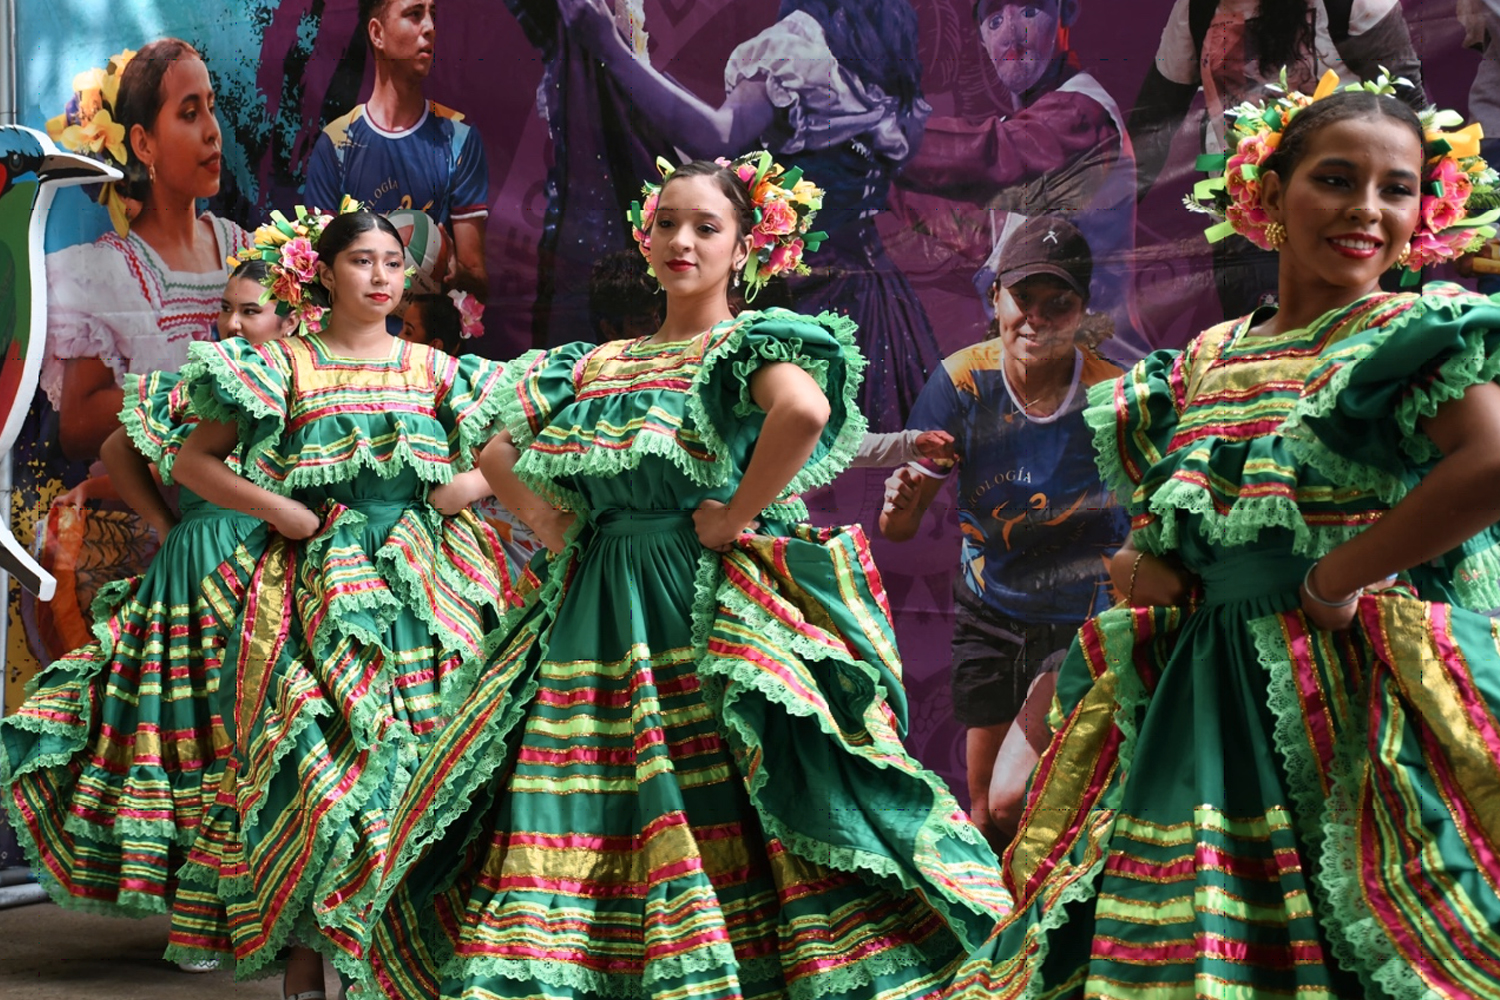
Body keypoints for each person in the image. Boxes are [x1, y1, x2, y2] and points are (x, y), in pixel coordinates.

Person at [349, 157, 1008, 1000]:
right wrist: (550, 522)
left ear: (743, 249)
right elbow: (495, 447)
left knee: (712, 789)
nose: (681, 240)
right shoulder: (597, 364)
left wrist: (734, 516)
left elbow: (803, 411)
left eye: (706, 226)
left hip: (697, 602)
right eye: (667, 223)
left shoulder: (740, 346)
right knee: (583, 793)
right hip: (594, 602)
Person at [948, 82, 1500, 999]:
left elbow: (1487, 466)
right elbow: (1181, 522)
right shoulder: (1206, 357)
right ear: (1268, 194)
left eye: (1396, 189)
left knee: (1364, 909)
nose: (1368, 208)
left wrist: (1333, 580)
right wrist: (1145, 562)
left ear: (1425, 212)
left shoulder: (1405, 331)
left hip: (1357, 676)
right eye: (1336, 179)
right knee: (1205, 923)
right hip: (1204, 678)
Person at [169, 210, 517, 996]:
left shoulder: (435, 370)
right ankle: (305, 964)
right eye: (362, 261)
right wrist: (278, 510)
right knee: (313, 769)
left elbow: (509, 450)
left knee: (419, 772)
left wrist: (464, 488)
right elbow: (194, 462)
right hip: (309, 591)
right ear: (323, 274)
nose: (381, 277)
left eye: (393, 262)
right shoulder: (280, 365)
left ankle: (404, 965)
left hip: (426, 595)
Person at [0, 259, 294, 973]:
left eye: (249, 310)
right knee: (197, 736)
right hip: (205, 567)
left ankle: (271, 908)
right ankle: (207, 917)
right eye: (226, 307)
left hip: (269, 567)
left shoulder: (303, 384)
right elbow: (111, 445)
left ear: (293, 320)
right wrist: (170, 526)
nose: (228, 323)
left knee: (266, 738)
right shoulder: (200, 383)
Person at [561, 0, 940, 432]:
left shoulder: (803, 43)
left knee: (795, 444)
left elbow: (718, 136)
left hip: (808, 298)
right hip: (874, 291)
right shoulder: (886, 53)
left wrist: (612, 50)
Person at [878, 216, 1125, 850]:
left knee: (1023, 800)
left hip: (1079, 621)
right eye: (1023, 299)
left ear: (1082, 311)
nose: (1035, 318)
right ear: (995, 298)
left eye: (1058, 303)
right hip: (988, 610)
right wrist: (899, 501)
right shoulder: (962, 382)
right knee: (985, 814)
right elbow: (900, 528)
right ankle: (999, 941)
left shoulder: (1114, 393)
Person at [32, 38, 253, 661]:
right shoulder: (104, 275)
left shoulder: (243, 248)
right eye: (188, 112)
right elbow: (76, 427)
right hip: (152, 540)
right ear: (144, 144)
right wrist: (190, 386)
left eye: (211, 107)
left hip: (247, 526)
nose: (212, 131)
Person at [1128, 0, 1424, 320]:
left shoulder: (1352, 3)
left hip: (1355, 221)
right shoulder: (1196, 8)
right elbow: (1153, 122)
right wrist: (1101, 215)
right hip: (1251, 231)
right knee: (1268, 358)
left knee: (1372, 349)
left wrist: (1458, 220)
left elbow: (1411, 112)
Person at [894, 0, 1146, 360]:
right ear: (980, 39)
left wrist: (873, 132)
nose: (1010, 33)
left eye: (1028, 11)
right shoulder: (1031, 129)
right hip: (1044, 378)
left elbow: (993, 155)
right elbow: (976, 233)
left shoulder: (1082, 113)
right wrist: (867, 169)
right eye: (994, 20)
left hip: (1100, 380)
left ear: (1068, 11)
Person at [303, 0, 489, 299]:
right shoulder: (335, 143)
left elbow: (477, 277)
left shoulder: (459, 137)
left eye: (433, 15)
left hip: (428, 340)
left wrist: (454, 271)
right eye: (414, 14)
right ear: (377, 33)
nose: (429, 28)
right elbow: (318, 271)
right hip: (356, 338)